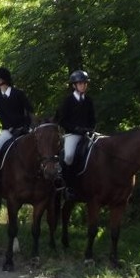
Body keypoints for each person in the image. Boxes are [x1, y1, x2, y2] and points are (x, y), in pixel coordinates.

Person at [0, 66, 34, 190]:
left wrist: (25, 127)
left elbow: (29, 111)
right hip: (8, 130)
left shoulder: (19, 93)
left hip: (24, 129)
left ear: (0, 80)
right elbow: (0, 115)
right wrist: (10, 128)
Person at [55, 69, 96, 197]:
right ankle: (68, 186)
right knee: (69, 156)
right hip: (72, 135)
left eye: (84, 83)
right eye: (80, 83)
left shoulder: (88, 100)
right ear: (74, 85)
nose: (83, 86)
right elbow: (62, 121)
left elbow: (92, 118)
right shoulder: (68, 101)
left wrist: (90, 128)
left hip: (87, 134)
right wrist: (76, 129)